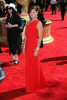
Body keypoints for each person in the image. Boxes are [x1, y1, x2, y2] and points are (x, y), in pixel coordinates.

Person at [23, 5, 48, 92]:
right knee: (29, 65)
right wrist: (24, 46)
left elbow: (40, 37)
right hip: (28, 45)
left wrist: (37, 48)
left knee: (34, 65)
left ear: (37, 12)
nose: (32, 14)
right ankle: (32, 82)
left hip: (34, 45)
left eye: (34, 12)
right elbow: (26, 36)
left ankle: (35, 84)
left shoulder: (39, 23)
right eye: (31, 12)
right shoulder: (28, 22)